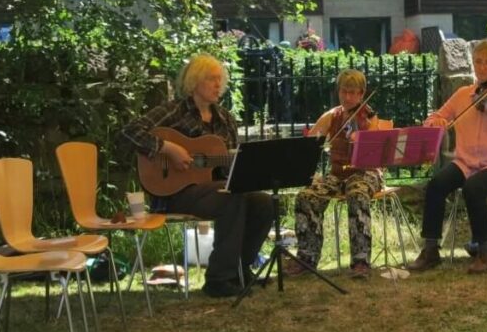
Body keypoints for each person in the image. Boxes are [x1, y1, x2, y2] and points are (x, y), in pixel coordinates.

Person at [120, 54, 275, 298]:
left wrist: (247, 164)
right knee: (231, 196)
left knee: (264, 202)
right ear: (194, 82)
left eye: (219, 79)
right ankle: (218, 280)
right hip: (173, 192)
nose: (218, 85)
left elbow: (229, 169)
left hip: (210, 190)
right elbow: (130, 132)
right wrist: (168, 148)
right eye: (211, 79)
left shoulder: (225, 119)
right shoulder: (173, 111)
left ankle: (239, 270)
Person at [407, 39, 487, 275]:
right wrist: (436, 122)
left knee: (473, 188)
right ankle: (430, 249)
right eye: (478, 62)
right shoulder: (463, 95)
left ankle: (485, 252)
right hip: (466, 162)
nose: (482, 67)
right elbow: (435, 117)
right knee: (436, 184)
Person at [288, 69, 383, 279]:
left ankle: (361, 261)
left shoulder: (370, 118)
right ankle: (307, 258)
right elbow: (309, 146)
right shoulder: (332, 116)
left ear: (361, 94)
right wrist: (310, 174)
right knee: (306, 196)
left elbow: (378, 153)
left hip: (365, 173)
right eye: (344, 92)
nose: (348, 97)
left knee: (357, 194)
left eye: (353, 93)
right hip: (338, 174)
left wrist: (363, 138)